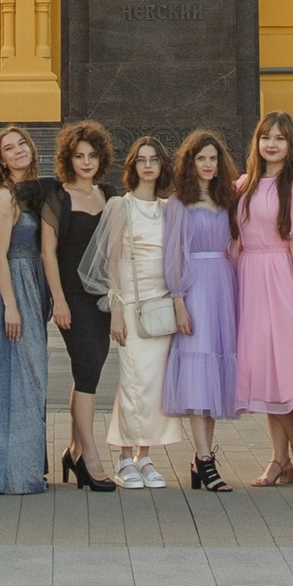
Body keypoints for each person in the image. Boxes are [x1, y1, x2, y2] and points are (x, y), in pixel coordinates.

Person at [233, 110, 293, 485]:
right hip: (249, 276)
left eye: (280, 138)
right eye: (265, 137)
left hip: (280, 276)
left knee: (281, 368)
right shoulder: (245, 183)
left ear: (291, 145)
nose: (271, 144)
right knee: (262, 369)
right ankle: (279, 458)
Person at [0, 127, 51, 496]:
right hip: (13, 286)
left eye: (22, 145)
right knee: (13, 377)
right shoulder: (5, 195)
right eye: (9, 148)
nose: (17, 151)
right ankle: (3, 472)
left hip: (34, 284)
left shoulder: (35, 193)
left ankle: (26, 465)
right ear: (0, 159)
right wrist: (11, 306)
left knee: (31, 380)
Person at [103, 135, 186, 486]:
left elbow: (177, 260)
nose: (148, 165)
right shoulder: (121, 206)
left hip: (160, 305)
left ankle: (145, 455)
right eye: (141, 159)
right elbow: (112, 260)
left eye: (153, 159)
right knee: (132, 380)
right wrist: (116, 309)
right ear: (132, 166)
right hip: (132, 303)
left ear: (161, 166)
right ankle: (124, 457)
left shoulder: (169, 208)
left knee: (154, 385)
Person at [162, 129, 241, 491]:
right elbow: (173, 253)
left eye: (213, 158)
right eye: (201, 158)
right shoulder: (179, 202)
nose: (208, 165)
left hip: (223, 286)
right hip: (194, 287)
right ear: (190, 162)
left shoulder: (228, 200)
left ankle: (202, 458)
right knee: (197, 369)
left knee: (215, 371)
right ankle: (206, 460)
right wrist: (178, 300)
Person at [42, 120, 118, 490]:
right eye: (78, 156)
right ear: (67, 159)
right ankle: (89, 454)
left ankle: (73, 450)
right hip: (71, 295)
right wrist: (58, 300)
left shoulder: (107, 193)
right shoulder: (59, 196)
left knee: (90, 370)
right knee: (87, 366)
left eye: (92, 155)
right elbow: (48, 253)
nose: (86, 162)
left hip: (101, 297)